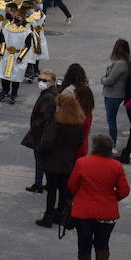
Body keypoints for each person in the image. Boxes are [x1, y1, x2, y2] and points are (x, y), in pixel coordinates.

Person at [67, 133, 130, 260]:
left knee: (84, 245)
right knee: (102, 244)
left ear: (95, 147)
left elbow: (72, 185)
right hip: (107, 214)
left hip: (83, 213)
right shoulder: (116, 166)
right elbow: (124, 191)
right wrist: (111, 198)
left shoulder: (82, 162)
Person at [36, 91, 85, 227]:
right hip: (68, 160)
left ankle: (48, 216)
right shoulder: (78, 124)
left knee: (51, 190)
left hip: (53, 160)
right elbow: (80, 142)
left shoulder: (56, 123)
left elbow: (48, 141)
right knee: (63, 189)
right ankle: (60, 214)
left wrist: (40, 150)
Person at [21, 67, 58, 194]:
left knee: (40, 159)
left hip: (42, 133)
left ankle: (38, 184)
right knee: (44, 158)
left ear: (52, 82)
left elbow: (44, 117)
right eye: (40, 79)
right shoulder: (51, 93)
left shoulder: (48, 96)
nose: (41, 82)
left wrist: (35, 128)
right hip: (45, 132)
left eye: (44, 80)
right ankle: (48, 183)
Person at [100, 39, 131, 148]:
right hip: (117, 94)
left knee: (111, 120)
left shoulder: (120, 64)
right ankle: (112, 141)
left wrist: (102, 79)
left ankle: (112, 143)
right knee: (111, 119)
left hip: (113, 95)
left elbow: (110, 80)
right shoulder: (127, 62)